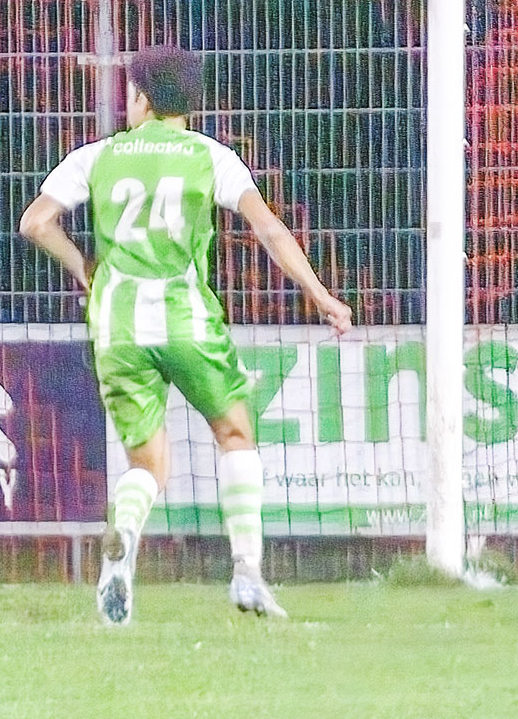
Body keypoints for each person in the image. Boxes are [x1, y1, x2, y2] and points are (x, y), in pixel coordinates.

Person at [19, 45, 352, 624]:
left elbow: (36, 223)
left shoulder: (95, 157)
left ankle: (124, 539)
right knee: (234, 432)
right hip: (185, 318)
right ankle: (247, 571)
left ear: (143, 97)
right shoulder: (212, 157)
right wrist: (319, 294)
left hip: (117, 323)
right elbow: (269, 230)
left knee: (148, 465)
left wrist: (83, 267)